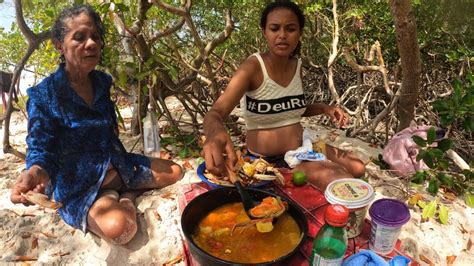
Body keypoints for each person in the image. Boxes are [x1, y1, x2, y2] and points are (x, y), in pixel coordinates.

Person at [10, 5, 183, 245]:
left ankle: (123, 191)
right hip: (79, 185)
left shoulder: (102, 82)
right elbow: (41, 149)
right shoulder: (43, 95)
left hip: (120, 166)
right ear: (60, 45)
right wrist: (34, 172)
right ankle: (122, 196)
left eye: (95, 37)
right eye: (79, 38)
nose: (90, 44)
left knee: (176, 171)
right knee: (119, 229)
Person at [203, 1, 365, 191]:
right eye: (274, 28)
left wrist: (323, 108)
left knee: (358, 167)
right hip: (269, 160)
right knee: (341, 181)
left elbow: (293, 110)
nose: (282, 35)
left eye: (290, 29)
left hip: (302, 147)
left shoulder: (297, 66)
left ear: (299, 33)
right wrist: (215, 132)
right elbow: (215, 113)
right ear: (265, 32)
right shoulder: (253, 67)